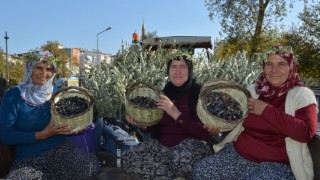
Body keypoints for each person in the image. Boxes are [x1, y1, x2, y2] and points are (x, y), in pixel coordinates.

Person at [192, 45, 319, 180]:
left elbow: (306, 132)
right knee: (201, 172)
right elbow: (234, 119)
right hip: (239, 155)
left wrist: (266, 110)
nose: (274, 70)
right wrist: (218, 128)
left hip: (276, 165)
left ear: (291, 67)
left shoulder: (301, 94)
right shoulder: (254, 90)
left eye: (281, 64)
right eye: (269, 64)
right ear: (263, 67)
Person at [0, 50, 101, 179]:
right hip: (28, 157)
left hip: (60, 150)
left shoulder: (58, 95)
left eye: (49, 69)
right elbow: (7, 136)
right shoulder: (13, 96)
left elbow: (65, 123)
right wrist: (42, 135)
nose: (44, 74)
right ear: (29, 68)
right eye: (39, 68)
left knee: (90, 169)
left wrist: (75, 128)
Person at [122, 55, 220, 179]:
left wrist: (175, 112)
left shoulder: (199, 94)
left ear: (189, 70)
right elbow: (156, 126)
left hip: (191, 149)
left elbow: (204, 133)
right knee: (128, 157)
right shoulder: (163, 94)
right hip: (164, 148)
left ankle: (167, 174)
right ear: (168, 71)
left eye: (182, 67)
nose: (177, 71)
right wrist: (141, 124)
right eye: (173, 67)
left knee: (180, 159)